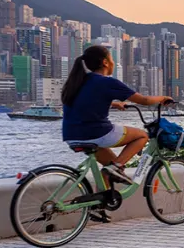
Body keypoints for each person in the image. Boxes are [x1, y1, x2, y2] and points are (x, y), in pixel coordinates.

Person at [62, 45, 172, 187]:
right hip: (96, 133)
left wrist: (113, 104)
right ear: (105, 62)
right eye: (112, 59)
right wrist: (163, 98)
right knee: (142, 136)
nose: (113, 62)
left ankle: (99, 205)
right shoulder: (107, 82)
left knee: (111, 166)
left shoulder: (78, 81)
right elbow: (144, 101)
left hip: (72, 136)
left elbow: (85, 103)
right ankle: (114, 168)